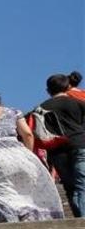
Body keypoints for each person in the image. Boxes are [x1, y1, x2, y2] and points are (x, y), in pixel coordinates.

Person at [0, 85, 63, 222]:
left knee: (3, 198)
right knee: (27, 194)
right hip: (19, 153)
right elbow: (27, 134)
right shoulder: (14, 112)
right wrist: (27, 154)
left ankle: (13, 225)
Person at [37, 74, 85, 217]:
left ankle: (79, 216)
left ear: (48, 90)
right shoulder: (78, 103)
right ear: (68, 87)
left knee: (69, 187)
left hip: (56, 150)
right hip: (80, 144)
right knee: (82, 183)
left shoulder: (41, 107)